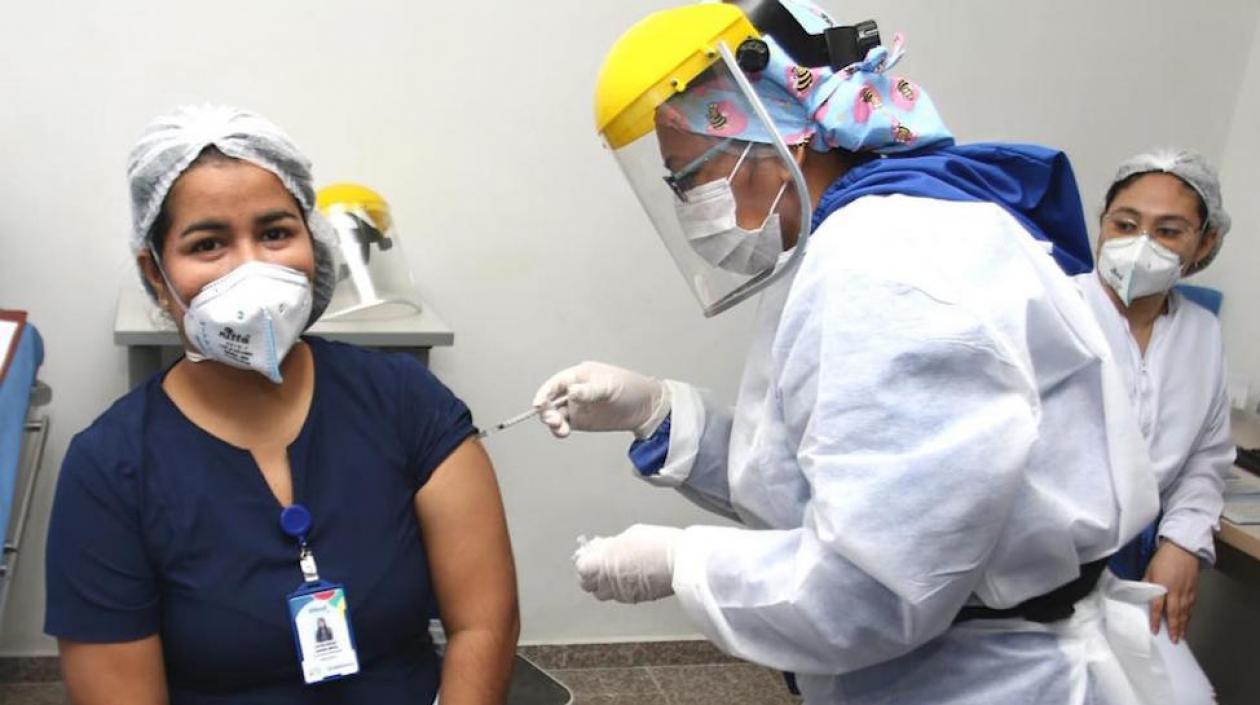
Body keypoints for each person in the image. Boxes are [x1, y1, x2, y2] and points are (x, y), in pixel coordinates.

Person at [533, 1, 1201, 703]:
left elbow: (871, 591)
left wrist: (685, 561)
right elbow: (828, 483)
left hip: (990, 680)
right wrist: (660, 414)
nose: (686, 202)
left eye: (687, 175)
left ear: (780, 141)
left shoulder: (890, 267)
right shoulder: (858, 236)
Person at [44, 105, 519, 705]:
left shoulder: (405, 402)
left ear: (312, 241)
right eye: (208, 243)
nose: (253, 269)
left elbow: (484, 625)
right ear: (156, 274)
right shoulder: (110, 469)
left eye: (275, 233)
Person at [1077, 149, 1236, 701]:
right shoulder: (1054, 308)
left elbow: (1206, 458)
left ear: (1205, 244)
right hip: (1045, 573)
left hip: (1136, 568)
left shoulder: (1201, 333)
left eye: (1168, 231)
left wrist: (1183, 541)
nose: (1140, 244)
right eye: (1125, 225)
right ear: (1101, 224)